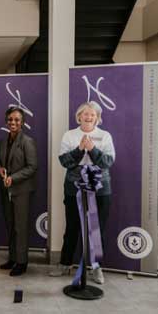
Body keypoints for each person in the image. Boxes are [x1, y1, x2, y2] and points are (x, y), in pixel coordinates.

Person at [49, 101, 115, 284]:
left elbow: (108, 162)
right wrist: (79, 150)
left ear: (98, 118)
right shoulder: (69, 135)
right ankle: (65, 263)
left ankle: (96, 268)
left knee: (96, 229)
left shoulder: (105, 135)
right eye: (85, 114)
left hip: (100, 188)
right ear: (79, 116)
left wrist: (92, 150)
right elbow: (65, 161)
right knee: (72, 227)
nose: (88, 117)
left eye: (92, 114)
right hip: (74, 186)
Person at [0, 107, 37, 276]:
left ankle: (22, 262)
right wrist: (0, 169)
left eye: (17, 120)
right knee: (11, 225)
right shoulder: (3, 141)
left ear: (22, 122)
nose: (13, 122)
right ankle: (13, 258)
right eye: (10, 119)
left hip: (21, 190)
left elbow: (32, 167)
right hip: (6, 190)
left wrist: (14, 178)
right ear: (7, 121)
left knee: (20, 227)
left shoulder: (27, 141)